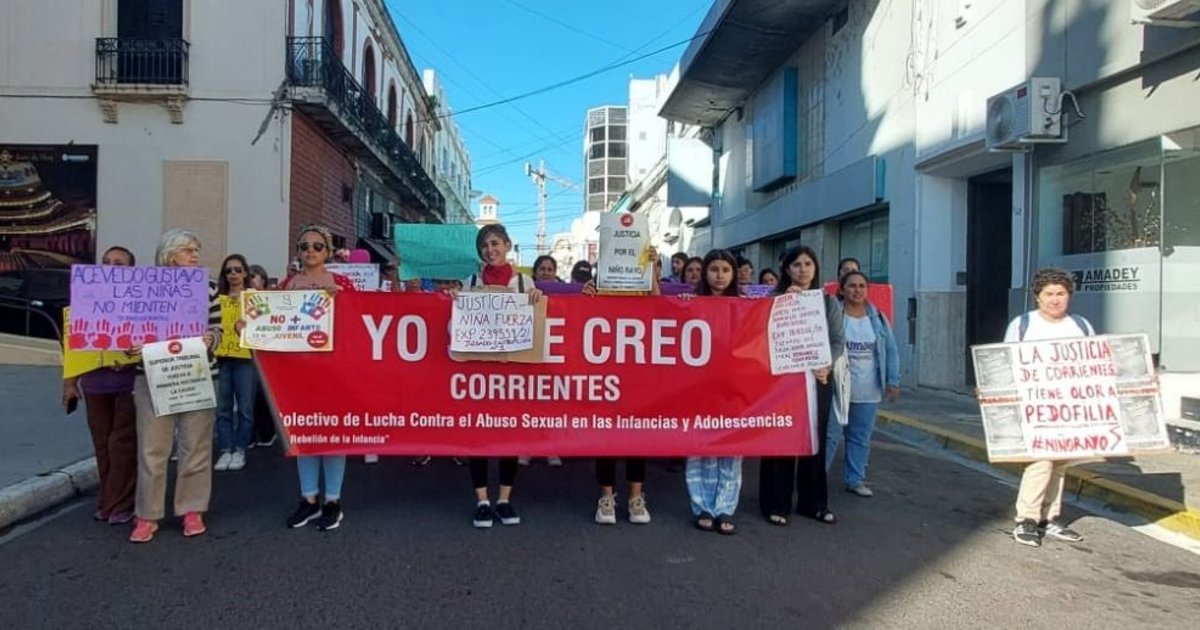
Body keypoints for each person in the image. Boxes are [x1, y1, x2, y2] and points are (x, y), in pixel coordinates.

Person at [128, 229, 223, 543]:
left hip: (197, 374)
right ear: (170, 255)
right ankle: (147, 514)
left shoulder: (208, 289)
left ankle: (192, 509)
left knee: (195, 447)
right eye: (188, 250)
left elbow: (218, 329)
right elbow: (128, 330)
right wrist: (131, 346)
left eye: (196, 249)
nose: (195, 254)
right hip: (153, 376)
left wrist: (212, 340)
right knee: (152, 449)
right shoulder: (143, 289)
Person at [457, 223, 543, 528]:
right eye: (484, 246)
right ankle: (482, 500)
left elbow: (539, 318)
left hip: (510, 373)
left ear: (507, 245)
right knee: (478, 438)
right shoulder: (469, 282)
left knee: (508, 436)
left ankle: (504, 500)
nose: (490, 250)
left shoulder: (524, 282)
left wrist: (537, 301)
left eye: (495, 243)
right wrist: (454, 299)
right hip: (479, 372)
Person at [1004, 267, 1091, 548]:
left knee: (1060, 463)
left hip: (1070, 407)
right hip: (1034, 407)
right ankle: (1026, 519)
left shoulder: (1081, 326)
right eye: (1049, 294)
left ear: (1069, 296)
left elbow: (1094, 365)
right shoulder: (1023, 325)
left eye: (1061, 293)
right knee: (1041, 460)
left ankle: (1049, 518)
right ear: (1037, 297)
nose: (1055, 299)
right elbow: (1004, 362)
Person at [758, 246, 845, 526]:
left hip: (818, 378)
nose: (803, 269)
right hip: (782, 379)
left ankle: (813, 502)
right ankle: (775, 503)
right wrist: (782, 303)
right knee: (780, 439)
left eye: (808, 264)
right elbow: (760, 334)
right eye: (796, 264)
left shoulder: (828, 301)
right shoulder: (772, 300)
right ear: (787, 269)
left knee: (814, 440)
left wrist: (825, 364)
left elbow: (837, 341)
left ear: (816, 268)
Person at [281, 225, 357, 532]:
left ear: (327, 251)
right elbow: (267, 322)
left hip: (333, 370)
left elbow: (361, 321)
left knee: (332, 434)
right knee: (304, 434)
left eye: (316, 246)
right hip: (296, 371)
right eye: (304, 246)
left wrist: (344, 302)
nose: (310, 251)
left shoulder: (342, 283)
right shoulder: (286, 284)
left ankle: (333, 501)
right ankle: (308, 499)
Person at [62, 245, 139, 526]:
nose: (110, 266)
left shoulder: (138, 301)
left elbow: (150, 340)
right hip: (94, 383)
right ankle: (107, 500)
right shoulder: (84, 299)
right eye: (106, 262)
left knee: (122, 443)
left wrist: (133, 356)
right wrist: (69, 383)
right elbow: (72, 342)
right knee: (102, 444)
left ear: (130, 270)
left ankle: (121, 503)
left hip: (128, 381)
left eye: (118, 263)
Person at [683, 249, 744, 535]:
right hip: (699, 388)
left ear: (734, 274)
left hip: (736, 388)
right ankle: (702, 507)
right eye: (714, 269)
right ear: (705, 273)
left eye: (725, 270)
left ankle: (725, 508)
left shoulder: (747, 307)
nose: (719, 275)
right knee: (700, 447)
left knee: (732, 449)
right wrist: (680, 306)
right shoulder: (691, 303)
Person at [825, 271, 899, 497]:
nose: (857, 290)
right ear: (842, 289)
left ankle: (855, 479)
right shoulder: (833, 314)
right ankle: (816, 478)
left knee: (860, 437)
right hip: (838, 387)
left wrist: (893, 381)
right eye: (851, 286)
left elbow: (891, 350)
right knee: (830, 436)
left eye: (861, 286)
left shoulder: (877, 318)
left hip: (869, 389)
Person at [214, 254, 257, 472]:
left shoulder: (255, 298)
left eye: (238, 270)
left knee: (245, 408)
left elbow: (265, 325)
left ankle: (239, 449)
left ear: (245, 273)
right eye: (228, 270)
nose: (233, 274)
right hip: (222, 358)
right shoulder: (216, 298)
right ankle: (225, 449)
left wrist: (249, 325)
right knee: (222, 408)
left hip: (246, 359)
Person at [245, 265, 277, 448]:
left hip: (267, 352)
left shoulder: (270, 298)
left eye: (254, 276)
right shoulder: (242, 299)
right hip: (246, 352)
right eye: (249, 276)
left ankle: (267, 432)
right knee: (250, 397)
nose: (251, 279)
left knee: (263, 396)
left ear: (263, 279)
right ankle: (252, 433)